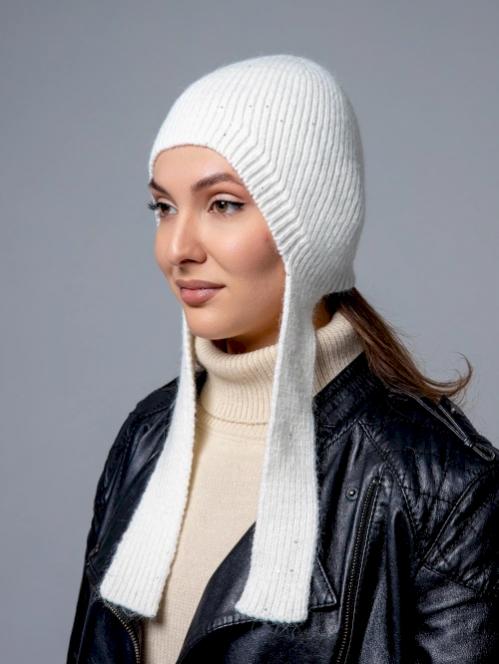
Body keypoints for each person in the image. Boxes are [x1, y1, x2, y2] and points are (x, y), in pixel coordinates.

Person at [66, 54, 499, 664]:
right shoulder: (144, 437)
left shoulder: (442, 488)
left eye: (223, 204)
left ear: (313, 229)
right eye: (163, 207)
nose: (176, 248)